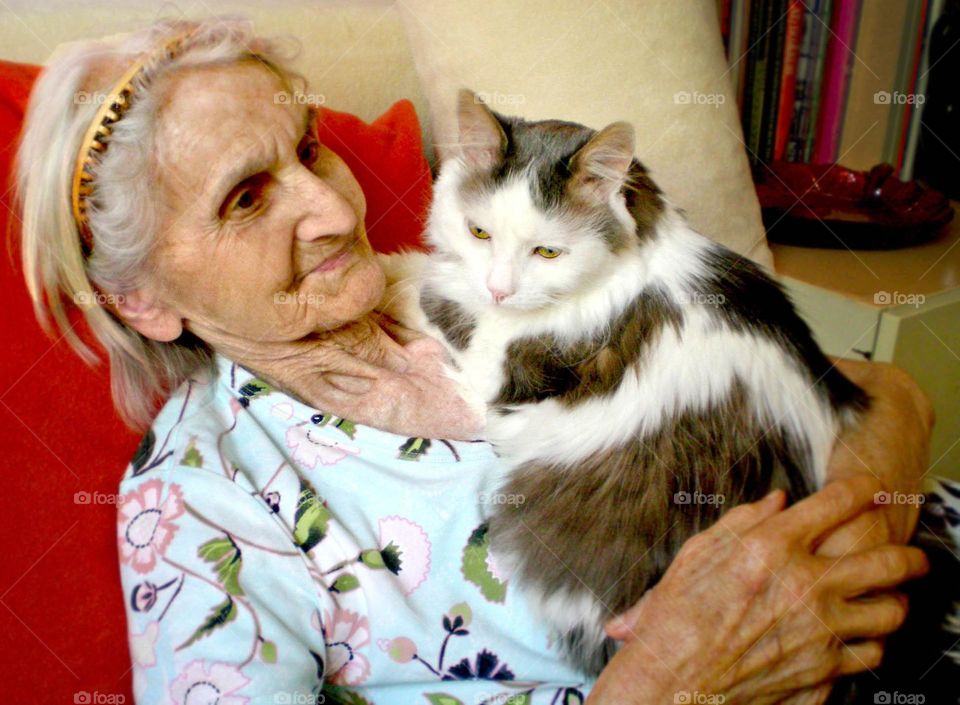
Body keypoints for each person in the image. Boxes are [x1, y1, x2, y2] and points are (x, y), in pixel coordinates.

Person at [16, 18, 934, 705]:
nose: (336, 213)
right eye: (247, 199)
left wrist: (841, 557)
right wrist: (674, 678)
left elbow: (889, 393)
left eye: (308, 151)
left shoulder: (460, 282)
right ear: (144, 298)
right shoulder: (200, 503)